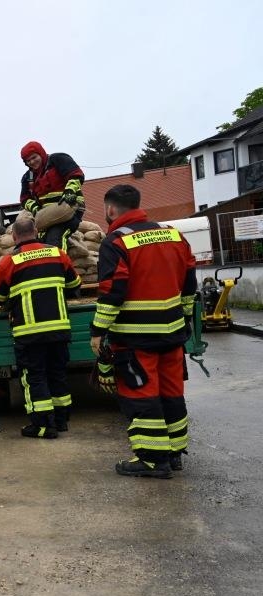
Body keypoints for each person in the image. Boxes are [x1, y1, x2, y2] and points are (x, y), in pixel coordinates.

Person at [90, 185, 197, 478]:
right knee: (172, 393)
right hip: (173, 333)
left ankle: (152, 460)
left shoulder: (116, 242)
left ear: (111, 210)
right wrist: (184, 318)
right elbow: (190, 285)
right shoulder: (174, 234)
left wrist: (98, 331)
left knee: (142, 395)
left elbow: (113, 292)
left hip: (136, 338)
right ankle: (174, 453)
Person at [0, 216, 81, 438]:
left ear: (14, 236)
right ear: (37, 231)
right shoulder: (58, 254)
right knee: (57, 374)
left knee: (34, 378)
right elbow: (75, 284)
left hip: (29, 333)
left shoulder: (10, 262)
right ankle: (60, 421)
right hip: (59, 330)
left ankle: (42, 426)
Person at [19, 141, 85, 251]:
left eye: (34, 157)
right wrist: (36, 209)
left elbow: (76, 174)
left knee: (55, 238)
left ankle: (58, 265)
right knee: (38, 242)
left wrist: (70, 191)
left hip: (69, 207)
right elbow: (25, 199)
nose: (32, 162)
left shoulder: (58, 159)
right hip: (46, 213)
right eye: (28, 160)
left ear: (41, 153)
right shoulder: (27, 177)